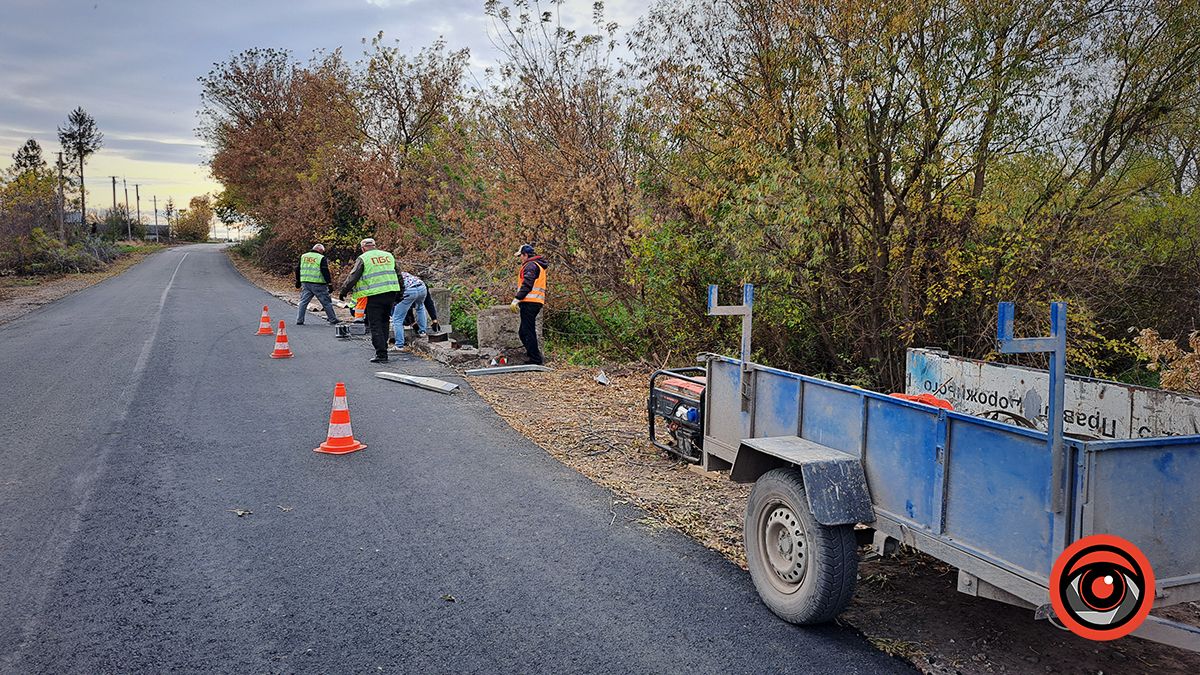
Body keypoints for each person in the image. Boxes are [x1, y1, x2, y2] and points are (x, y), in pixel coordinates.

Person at [338, 238, 402, 363]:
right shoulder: (388, 256)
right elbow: (398, 274)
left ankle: (381, 354)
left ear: (363, 248)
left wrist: (343, 291)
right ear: (375, 246)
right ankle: (384, 349)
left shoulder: (364, 258)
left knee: (375, 324)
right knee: (385, 322)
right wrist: (400, 293)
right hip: (390, 293)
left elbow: (353, 276)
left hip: (374, 296)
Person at [511, 244, 548, 365]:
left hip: (529, 302)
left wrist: (517, 298)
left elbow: (527, 284)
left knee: (527, 331)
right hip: (535, 302)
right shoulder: (537, 265)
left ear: (525, 255)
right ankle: (534, 356)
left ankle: (535, 359)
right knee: (524, 332)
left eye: (520, 256)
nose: (520, 258)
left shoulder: (530, 266)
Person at [294, 244, 340, 325]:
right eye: (323, 252)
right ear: (320, 251)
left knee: (303, 302)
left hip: (305, 282)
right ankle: (332, 319)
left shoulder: (304, 256)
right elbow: (325, 271)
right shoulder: (321, 258)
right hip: (319, 284)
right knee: (326, 302)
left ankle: (299, 320)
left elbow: (297, 269)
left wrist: (298, 280)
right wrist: (329, 284)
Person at [389, 271, 428, 351]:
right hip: (421, 287)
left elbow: (394, 295)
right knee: (420, 307)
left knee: (397, 319)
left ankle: (399, 345)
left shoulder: (389, 278)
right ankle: (422, 332)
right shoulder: (403, 273)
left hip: (409, 291)